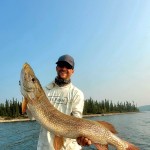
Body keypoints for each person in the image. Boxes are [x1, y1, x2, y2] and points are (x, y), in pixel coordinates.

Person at [27, 54, 108, 150]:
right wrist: (27, 98)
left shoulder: (77, 93)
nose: (64, 68)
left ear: (72, 71)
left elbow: (77, 120)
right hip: (45, 147)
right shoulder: (43, 91)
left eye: (68, 66)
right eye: (61, 65)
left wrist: (82, 137)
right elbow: (32, 116)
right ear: (56, 68)